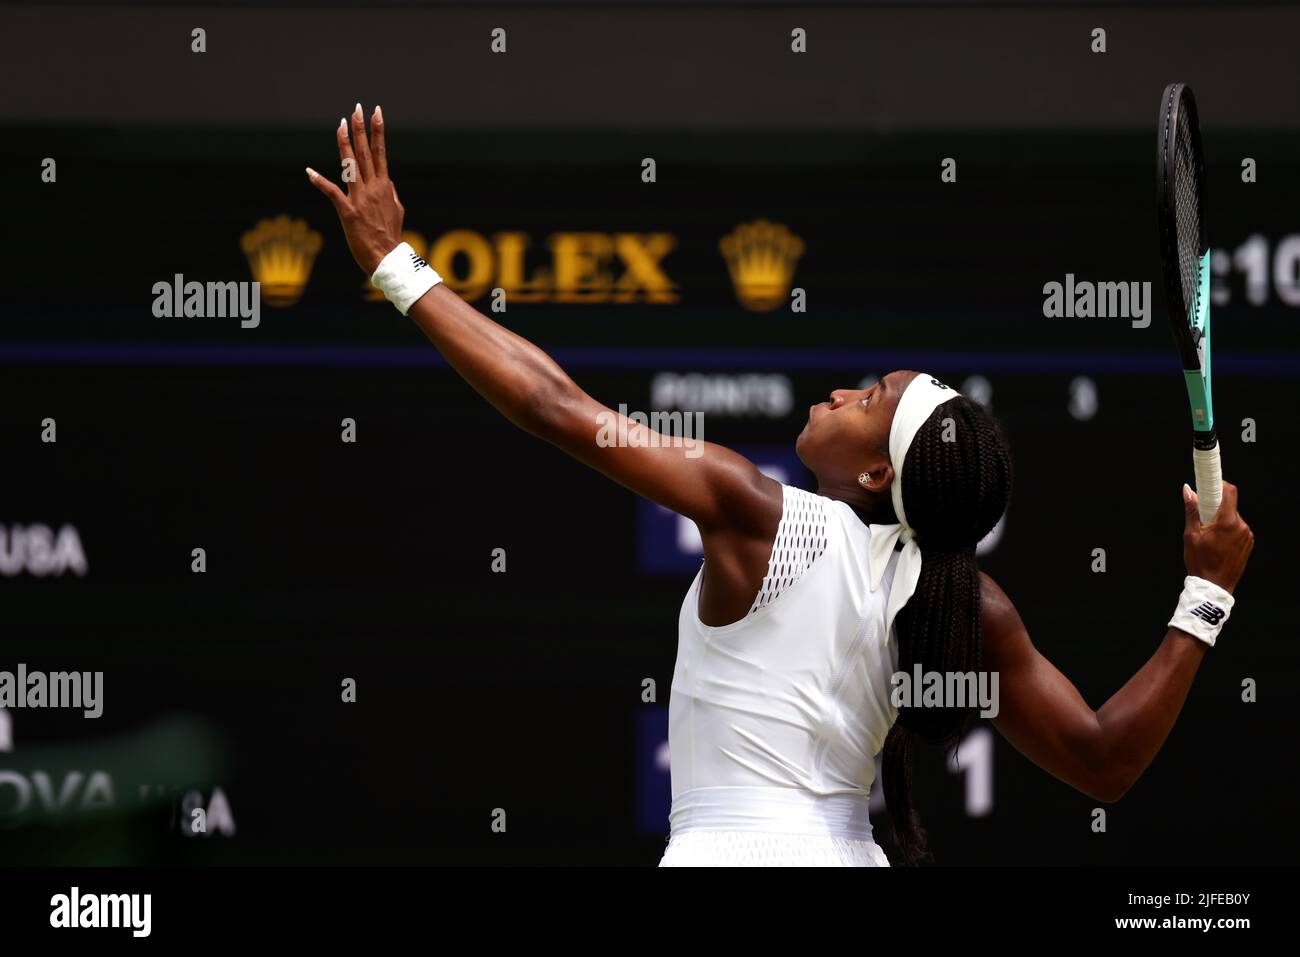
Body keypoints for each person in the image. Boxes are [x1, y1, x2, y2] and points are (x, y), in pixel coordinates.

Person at [307, 105, 1256, 866]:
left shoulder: (756, 512)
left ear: (879, 472)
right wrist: (1205, 594)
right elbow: (1104, 761)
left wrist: (396, 265)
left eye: (870, 397)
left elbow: (558, 407)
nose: (843, 389)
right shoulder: (966, 602)